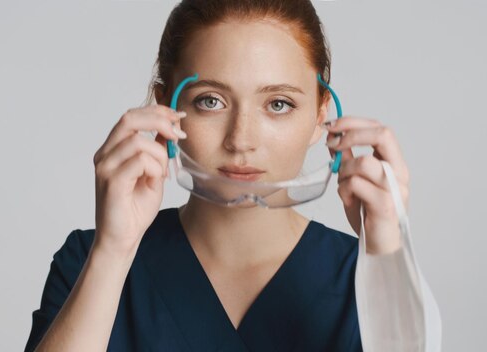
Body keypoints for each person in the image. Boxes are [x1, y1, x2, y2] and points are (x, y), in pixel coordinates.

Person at [24, 0, 441, 351]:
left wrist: (388, 255)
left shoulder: (364, 275)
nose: (241, 139)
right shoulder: (88, 261)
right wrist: (113, 251)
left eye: (278, 104)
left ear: (320, 116)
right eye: (210, 101)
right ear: (164, 109)